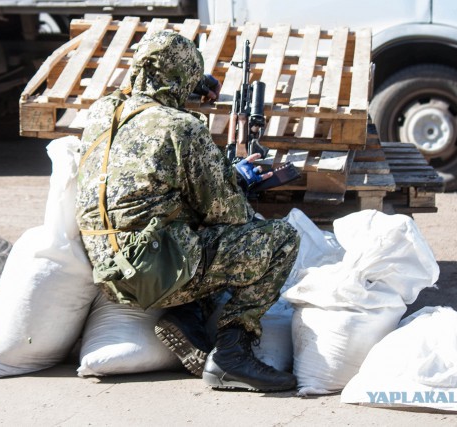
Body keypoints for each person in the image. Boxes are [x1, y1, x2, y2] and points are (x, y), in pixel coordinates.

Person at [75, 30, 299, 392]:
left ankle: (188, 314)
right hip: (151, 273)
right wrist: (236, 178)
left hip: (107, 270)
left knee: (182, 219)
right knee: (279, 240)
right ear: (181, 79)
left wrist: (189, 83)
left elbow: (141, 102)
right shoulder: (182, 129)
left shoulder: (102, 113)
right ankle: (231, 355)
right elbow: (231, 215)